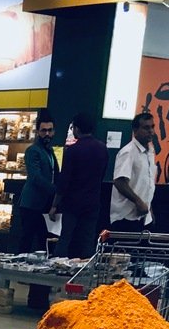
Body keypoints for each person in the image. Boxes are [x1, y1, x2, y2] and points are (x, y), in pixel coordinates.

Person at [51, 112, 108, 259]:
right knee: (88, 239)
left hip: (72, 203)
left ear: (76, 128)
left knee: (66, 237)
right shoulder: (102, 149)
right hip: (93, 202)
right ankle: (86, 266)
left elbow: (64, 181)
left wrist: (54, 205)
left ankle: (59, 265)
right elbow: (102, 175)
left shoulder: (72, 151)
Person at [14, 109, 58, 254]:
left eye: (50, 130)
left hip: (44, 204)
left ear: (54, 132)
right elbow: (35, 177)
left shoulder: (50, 151)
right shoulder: (33, 151)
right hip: (31, 204)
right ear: (38, 132)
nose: (47, 133)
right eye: (44, 130)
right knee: (26, 240)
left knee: (42, 241)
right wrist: (55, 190)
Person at [110, 111, 157, 232]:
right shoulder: (128, 152)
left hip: (144, 217)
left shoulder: (150, 152)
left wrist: (149, 209)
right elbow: (119, 181)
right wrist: (138, 202)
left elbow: (147, 184)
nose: (151, 131)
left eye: (152, 127)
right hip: (126, 217)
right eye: (146, 128)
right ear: (135, 130)